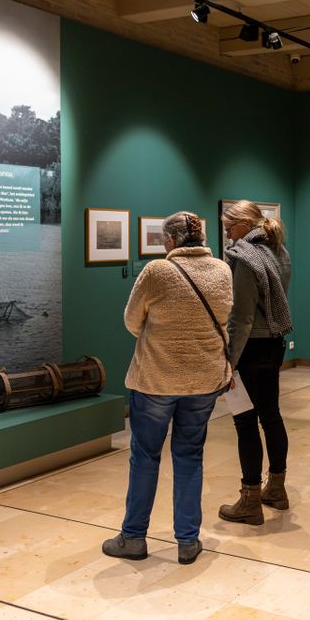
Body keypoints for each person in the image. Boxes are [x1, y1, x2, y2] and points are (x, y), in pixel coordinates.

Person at [102, 212, 232, 565]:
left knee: (145, 457)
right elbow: (224, 317)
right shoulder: (222, 270)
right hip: (204, 381)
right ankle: (188, 541)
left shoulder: (157, 271)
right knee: (190, 457)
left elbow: (132, 320)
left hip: (156, 380)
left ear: (170, 241)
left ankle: (133, 538)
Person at [218, 200, 293, 526]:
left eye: (229, 228)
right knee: (271, 417)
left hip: (249, 351)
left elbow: (241, 318)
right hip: (274, 345)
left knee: (245, 423)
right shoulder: (278, 251)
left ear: (245, 224)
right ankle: (276, 488)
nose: (226, 235)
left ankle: (250, 500)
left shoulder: (242, 258)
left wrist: (228, 363)